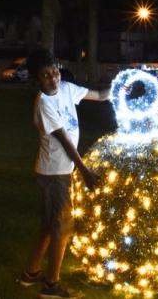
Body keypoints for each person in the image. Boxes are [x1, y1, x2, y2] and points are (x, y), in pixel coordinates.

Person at [19, 48, 109, 298]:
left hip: (59, 170)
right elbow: (65, 141)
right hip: (54, 173)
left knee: (49, 225)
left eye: (55, 71)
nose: (53, 78)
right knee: (63, 227)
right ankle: (51, 286)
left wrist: (123, 84)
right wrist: (85, 172)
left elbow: (100, 95)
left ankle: (31, 273)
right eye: (46, 75)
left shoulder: (67, 89)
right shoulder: (44, 103)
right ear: (37, 79)